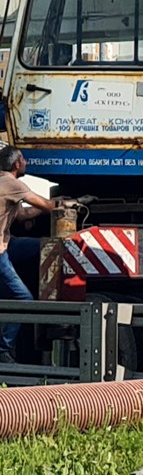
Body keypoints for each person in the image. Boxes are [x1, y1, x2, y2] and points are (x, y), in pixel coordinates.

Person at [0, 144, 65, 364]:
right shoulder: (12, 183)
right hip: (0, 252)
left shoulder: (3, 183)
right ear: (17, 164)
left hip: (8, 244)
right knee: (24, 299)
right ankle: (3, 349)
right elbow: (46, 205)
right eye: (24, 159)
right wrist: (68, 203)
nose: (27, 162)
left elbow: (23, 214)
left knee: (42, 246)